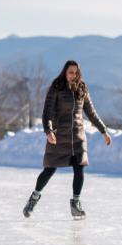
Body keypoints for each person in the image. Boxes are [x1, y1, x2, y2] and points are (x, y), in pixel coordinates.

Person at [22, 60, 111, 219]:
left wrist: (103, 130)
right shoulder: (56, 87)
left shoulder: (81, 88)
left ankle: (75, 203)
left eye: (76, 72)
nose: (73, 75)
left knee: (79, 167)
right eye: (71, 72)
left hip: (77, 136)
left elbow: (91, 113)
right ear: (65, 72)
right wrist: (49, 131)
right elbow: (47, 113)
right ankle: (34, 199)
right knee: (50, 169)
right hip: (58, 137)